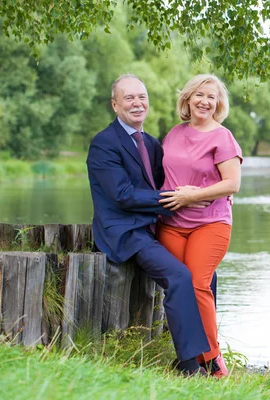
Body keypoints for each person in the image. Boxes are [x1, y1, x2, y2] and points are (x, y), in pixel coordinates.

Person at [86, 74, 210, 376]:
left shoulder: (153, 144)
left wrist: (209, 195)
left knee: (205, 274)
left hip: (156, 228)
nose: (137, 103)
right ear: (115, 105)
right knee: (179, 276)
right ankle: (189, 365)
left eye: (142, 97)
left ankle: (209, 353)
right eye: (128, 98)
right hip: (126, 231)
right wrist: (181, 198)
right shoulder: (104, 143)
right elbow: (123, 196)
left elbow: (170, 183)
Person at [157, 74, 242, 378]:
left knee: (197, 284)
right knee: (180, 289)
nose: (205, 101)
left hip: (210, 223)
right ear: (188, 99)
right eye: (199, 95)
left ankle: (213, 359)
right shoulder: (174, 134)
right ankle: (188, 360)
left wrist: (195, 195)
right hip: (172, 224)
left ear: (218, 103)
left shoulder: (223, 137)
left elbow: (233, 183)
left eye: (211, 97)